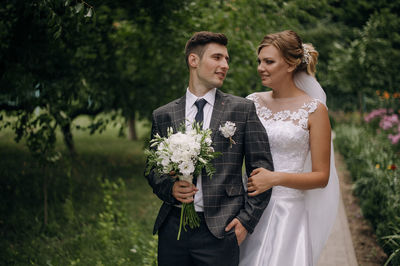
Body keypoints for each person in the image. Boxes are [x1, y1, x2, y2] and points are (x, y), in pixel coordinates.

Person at [144, 31, 274, 266]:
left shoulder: (242, 110)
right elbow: (152, 170)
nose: (224, 65)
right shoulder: (163, 115)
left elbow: (262, 172)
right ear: (193, 60)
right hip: (174, 229)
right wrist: (170, 188)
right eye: (217, 57)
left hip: (221, 230)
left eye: (227, 59)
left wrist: (246, 220)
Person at [239, 30, 339, 266]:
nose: (261, 67)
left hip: (288, 214)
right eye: (259, 61)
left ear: (291, 64)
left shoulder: (315, 110)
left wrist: (274, 179)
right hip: (248, 208)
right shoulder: (251, 102)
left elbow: (321, 177)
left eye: (269, 61)